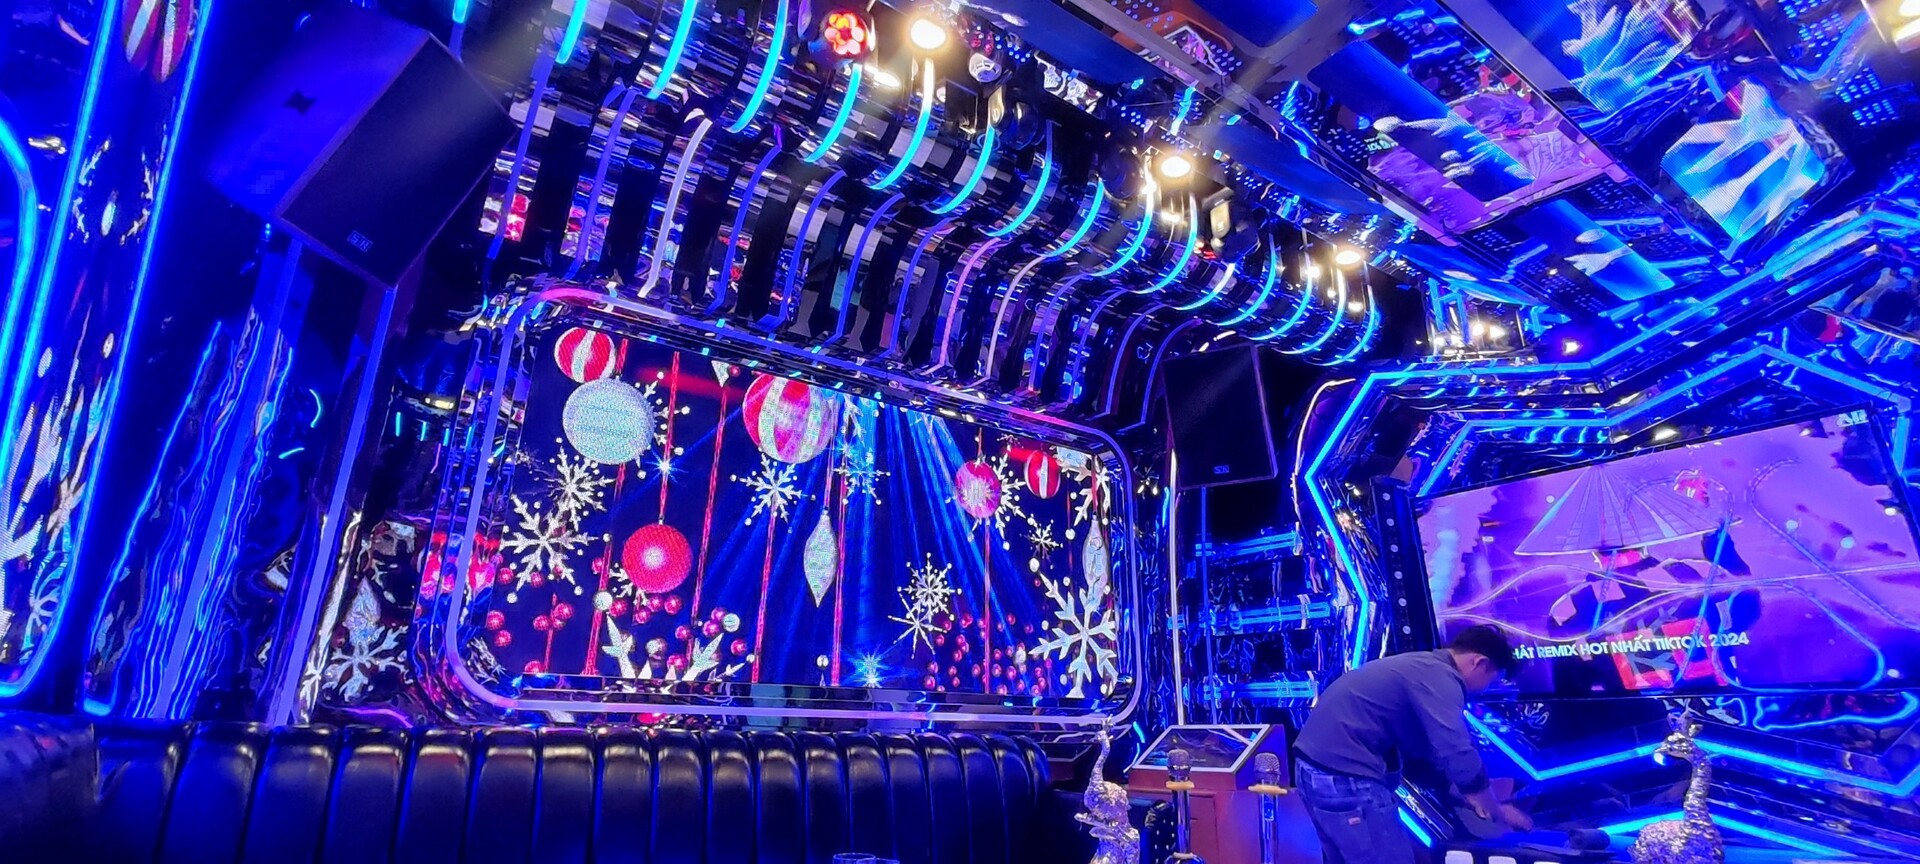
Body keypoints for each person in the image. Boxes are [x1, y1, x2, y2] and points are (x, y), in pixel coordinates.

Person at [1290, 625, 1531, 864]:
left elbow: (1425, 759)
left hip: (1313, 772)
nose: (1483, 690)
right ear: (1479, 663)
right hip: (1345, 776)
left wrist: (1471, 797)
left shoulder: (1419, 667)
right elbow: (1456, 751)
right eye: (1490, 680)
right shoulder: (1440, 677)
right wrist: (1493, 808)